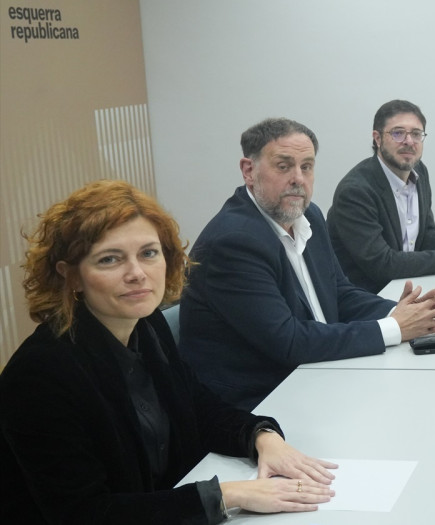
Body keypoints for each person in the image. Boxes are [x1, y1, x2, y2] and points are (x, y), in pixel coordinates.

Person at [0, 180, 338, 523]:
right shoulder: (39, 374)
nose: (137, 274)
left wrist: (262, 437)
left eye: (148, 253)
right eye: (109, 259)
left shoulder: (147, 328)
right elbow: (84, 513)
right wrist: (227, 495)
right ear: (71, 276)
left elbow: (199, 408)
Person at [180, 118, 435, 410]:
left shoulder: (309, 216)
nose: (298, 179)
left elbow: (339, 292)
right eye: (283, 166)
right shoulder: (234, 242)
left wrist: (404, 313)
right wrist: (394, 327)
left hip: (315, 376)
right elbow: (288, 341)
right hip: (259, 404)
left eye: (307, 166)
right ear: (248, 171)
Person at [328, 99, 435, 293]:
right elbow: (382, 264)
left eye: (416, 134)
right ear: (377, 138)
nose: (409, 141)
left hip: (405, 287)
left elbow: (424, 237)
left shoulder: (419, 172)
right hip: (369, 299)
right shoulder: (355, 192)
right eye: (398, 133)